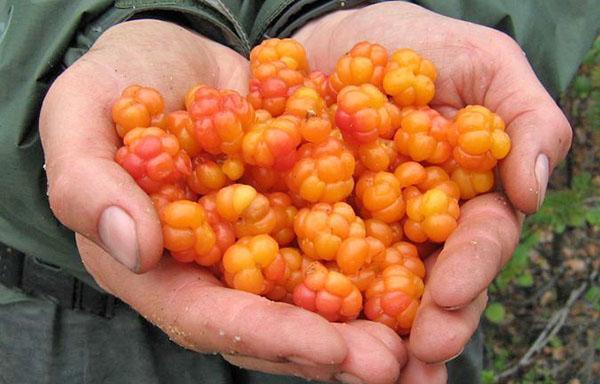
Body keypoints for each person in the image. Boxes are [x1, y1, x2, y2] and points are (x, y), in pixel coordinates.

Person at [0, 1, 597, 383]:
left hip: (395, 326)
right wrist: (92, 28)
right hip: (43, 302)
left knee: (420, 340)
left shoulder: (366, 163)